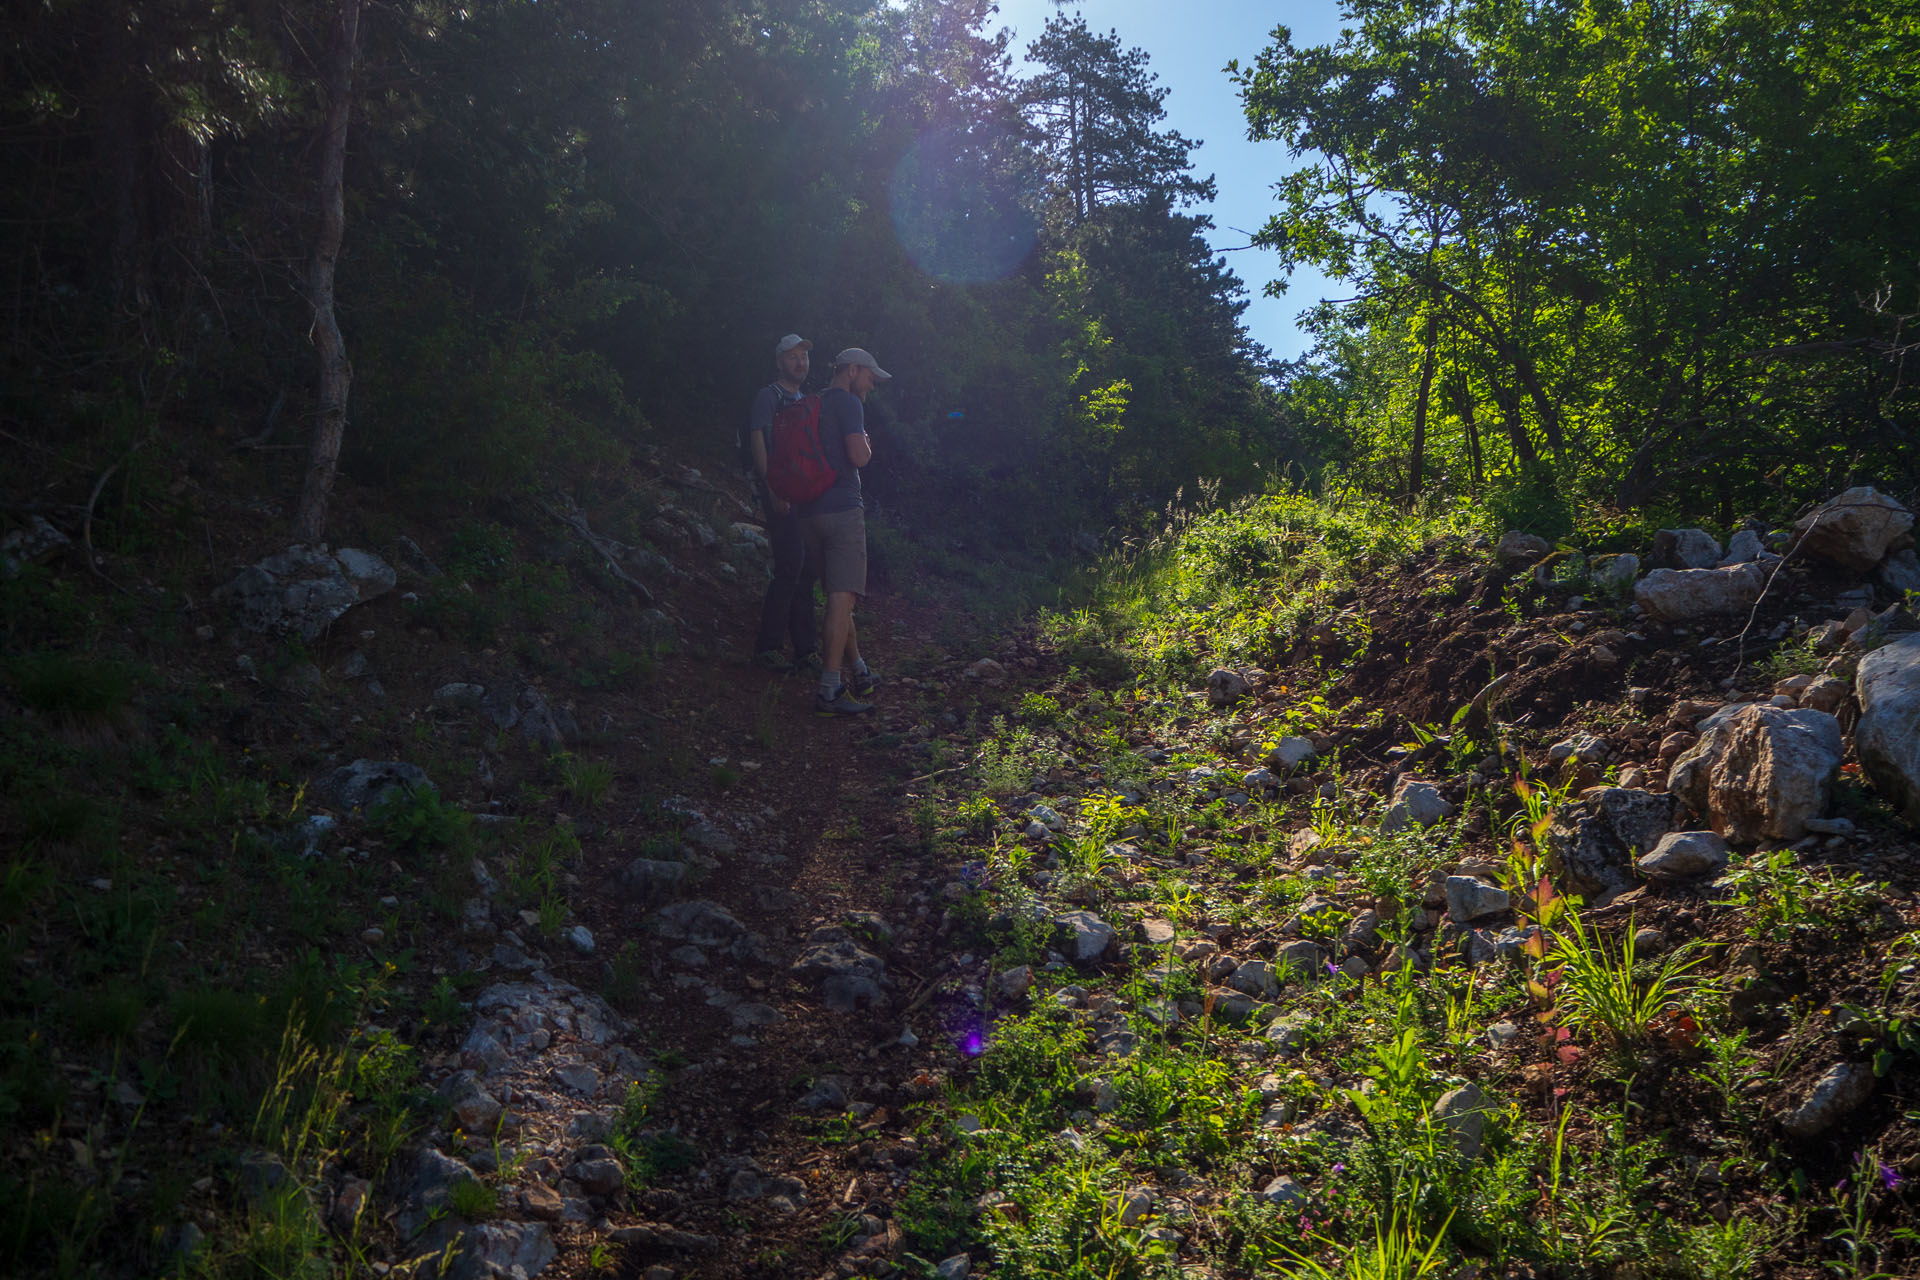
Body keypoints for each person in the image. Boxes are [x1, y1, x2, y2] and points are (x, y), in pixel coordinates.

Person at [801, 347, 889, 715]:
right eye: (870, 377)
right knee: (842, 598)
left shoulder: (812, 402)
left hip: (809, 513)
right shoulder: (850, 404)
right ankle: (829, 690)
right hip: (842, 510)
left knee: (839, 597)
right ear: (852, 371)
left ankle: (859, 670)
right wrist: (867, 443)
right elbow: (859, 457)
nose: (872, 385)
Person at [745, 334, 818, 670]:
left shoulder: (805, 399)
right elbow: (757, 438)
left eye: (803, 356)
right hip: (780, 491)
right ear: (779, 362)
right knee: (790, 564)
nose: (799, 362)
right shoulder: (768, 396)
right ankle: (769, 648)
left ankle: (806, 650)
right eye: (792, 357)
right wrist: (771, 487)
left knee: (804, 569)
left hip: (804, 495)